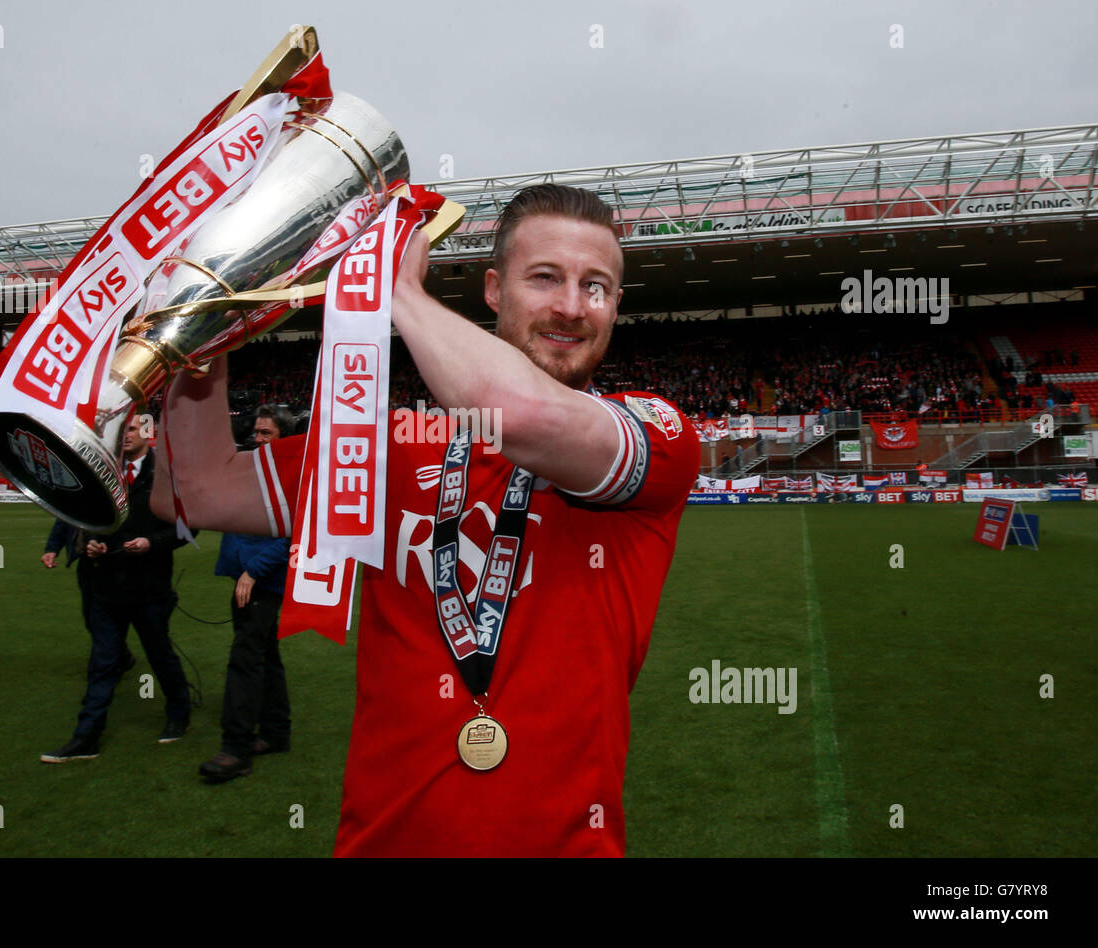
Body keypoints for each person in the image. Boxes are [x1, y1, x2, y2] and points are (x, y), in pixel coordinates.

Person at [154, 184, 700, 855]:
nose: (570, 305)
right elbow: (197, 491)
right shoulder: (389, 445)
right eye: (546, 278)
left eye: (596, 286)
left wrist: (400, 294)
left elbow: (522, 416)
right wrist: (198, 332)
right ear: (495, 291)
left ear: (616, 306)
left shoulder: (659, 435)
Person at [41, 416, 194, 762]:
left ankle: (179, 713)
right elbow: (87, 518)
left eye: (131, 429)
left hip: (150, 588)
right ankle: (87, 736)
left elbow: (188, 530)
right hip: (105, 586)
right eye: (121, 429)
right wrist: (91, 543)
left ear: (148, 433)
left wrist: (151, 543)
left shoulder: (167, 475)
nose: (124, 435)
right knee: (103, 663)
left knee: (160, 656)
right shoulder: (103, 471)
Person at [199, 405, 295, 783]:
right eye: (256, 431)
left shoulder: (289, 475)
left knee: (245, 658)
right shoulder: (254, 468)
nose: (257, 438)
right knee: (265, 656)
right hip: (248, 577)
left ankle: (236, 748)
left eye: (266, 433)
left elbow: (295, 532)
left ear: (284, 438)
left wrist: (253, 570)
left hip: (261, 581)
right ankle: (275, 733)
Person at [42, 518, 137, 677]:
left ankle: (109, 667)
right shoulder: (75, 497)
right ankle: (121, 656)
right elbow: (63, 519)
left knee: (108, 616)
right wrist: (52, 549)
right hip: (86, 563)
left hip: (114, 559)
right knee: (90, 616)